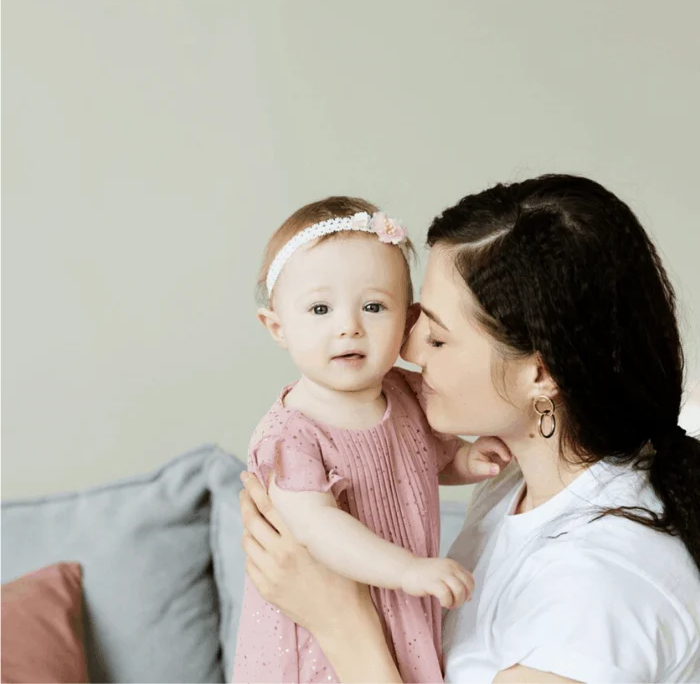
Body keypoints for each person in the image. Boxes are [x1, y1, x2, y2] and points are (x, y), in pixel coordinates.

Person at [238, 175, 700, 684]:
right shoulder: (514, 480)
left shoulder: (596, 597)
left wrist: (341, 621)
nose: (407, 353)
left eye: (436, 337)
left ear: (541, 374)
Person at [233, 196, 511, 684]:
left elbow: (422, 462)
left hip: (399, 608)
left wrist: (466, 459)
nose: (348, 326)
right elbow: (316, 528)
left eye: (374, 306)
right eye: (320, 308)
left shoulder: (405, 394)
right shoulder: (290, 435)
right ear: (277, 327)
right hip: (320, 632)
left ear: (407, 321)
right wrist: (406, 570)